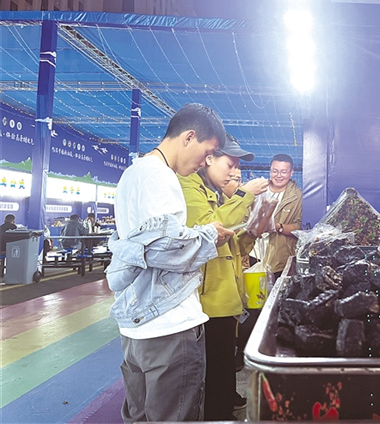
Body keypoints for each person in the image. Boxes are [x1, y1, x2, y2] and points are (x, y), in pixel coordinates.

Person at [105, 103, 235, 423]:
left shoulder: (131, 174)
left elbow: (143, 241)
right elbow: (164, 248)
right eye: (208, 152)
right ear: (189, 137)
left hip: (135, 326)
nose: (206, 162)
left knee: (139, 416)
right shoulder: (161, 177)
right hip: (170, 324)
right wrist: (208, 236)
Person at [178, 133, 268, 421]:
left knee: (222, 372)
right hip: (208, 303)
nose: (234, 172)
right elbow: (210, 230)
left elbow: (232, 246)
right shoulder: (189, 187)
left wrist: (253, 231)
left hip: (225, 299)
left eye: (238, 168)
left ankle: (224, 408)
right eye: (229, 164)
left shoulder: (214, 193)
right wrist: (246, 195)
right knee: (212, 376)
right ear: (209, 158)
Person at [256, 154, 303, 278]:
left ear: (291, 172)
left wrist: (278, 227)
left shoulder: (298, 197)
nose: (278, 175)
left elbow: (301, 227)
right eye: (274, 171)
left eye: (283, 172)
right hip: (253, 253)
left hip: (279, 256)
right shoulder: (258, 189)